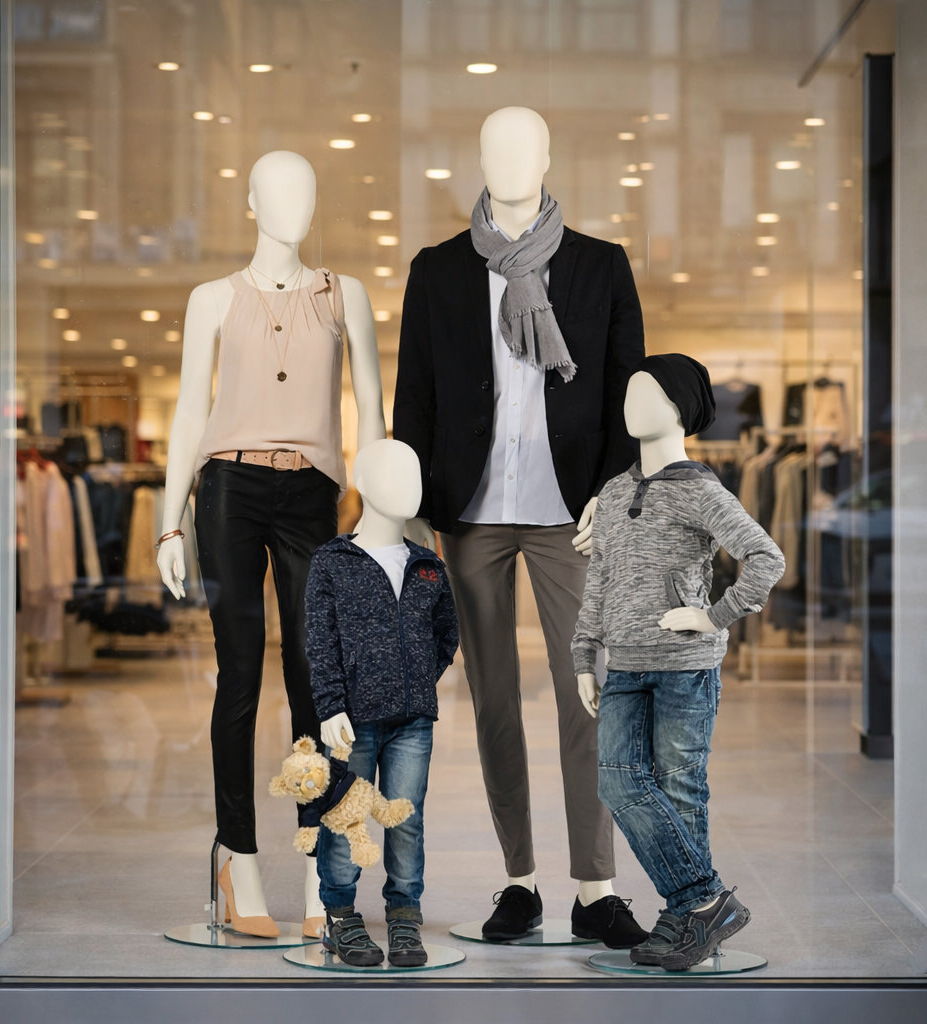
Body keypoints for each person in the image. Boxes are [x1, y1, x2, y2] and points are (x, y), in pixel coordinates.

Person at [393, 106, 647, 947]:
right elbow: (415, 397)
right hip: (470, 511)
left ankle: (595, 888)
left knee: (588, 695)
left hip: (569, 511)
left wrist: (611, 495)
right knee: (492, 699)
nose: (507, 160)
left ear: (546, 158)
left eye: (522, 146)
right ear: (478, 158)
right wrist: (414, 509)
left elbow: (626, 390)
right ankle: (519, 882)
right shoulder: (437, 270)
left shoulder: (600, 265)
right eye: (493, 147)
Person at [155, 150, 385, 937]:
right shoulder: (212, 298)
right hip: (228, 489)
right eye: (277, 192)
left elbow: (371, 411)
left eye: (305, 192)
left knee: (317, 680)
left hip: (312, 495)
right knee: (240, 674)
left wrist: (380, 515)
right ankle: (238, 860)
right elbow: (190, 411)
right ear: (249, 203)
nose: (293, 205)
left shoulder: (343, 294)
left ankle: (325, 862)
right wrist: (170, 520)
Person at [572, 354, 785, 971]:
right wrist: (584, 654)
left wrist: (713, 616)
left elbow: (766, 557)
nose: (631, 404)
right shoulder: (615, 493)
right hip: (624, 666)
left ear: (681, 408)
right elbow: (599, 581)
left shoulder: (700, 490)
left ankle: (683, 916)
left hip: (685, 667)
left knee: (680, 789)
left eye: (648, 394)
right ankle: (704, 900)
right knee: (618, 782)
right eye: (629, 392)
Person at [303, 439, 459, 967]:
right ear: (364, 484)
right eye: (395, 475)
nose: (410, 486)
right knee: (345, 816)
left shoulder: (428, 565)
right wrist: (330, 705)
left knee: (406, 818)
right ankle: (340, 915)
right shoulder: (332, 561)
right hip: (352, 719)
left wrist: (415, 681)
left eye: (415, 474)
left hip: (413, 720)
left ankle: (404, 914)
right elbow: (319, 641)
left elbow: (446, 635)